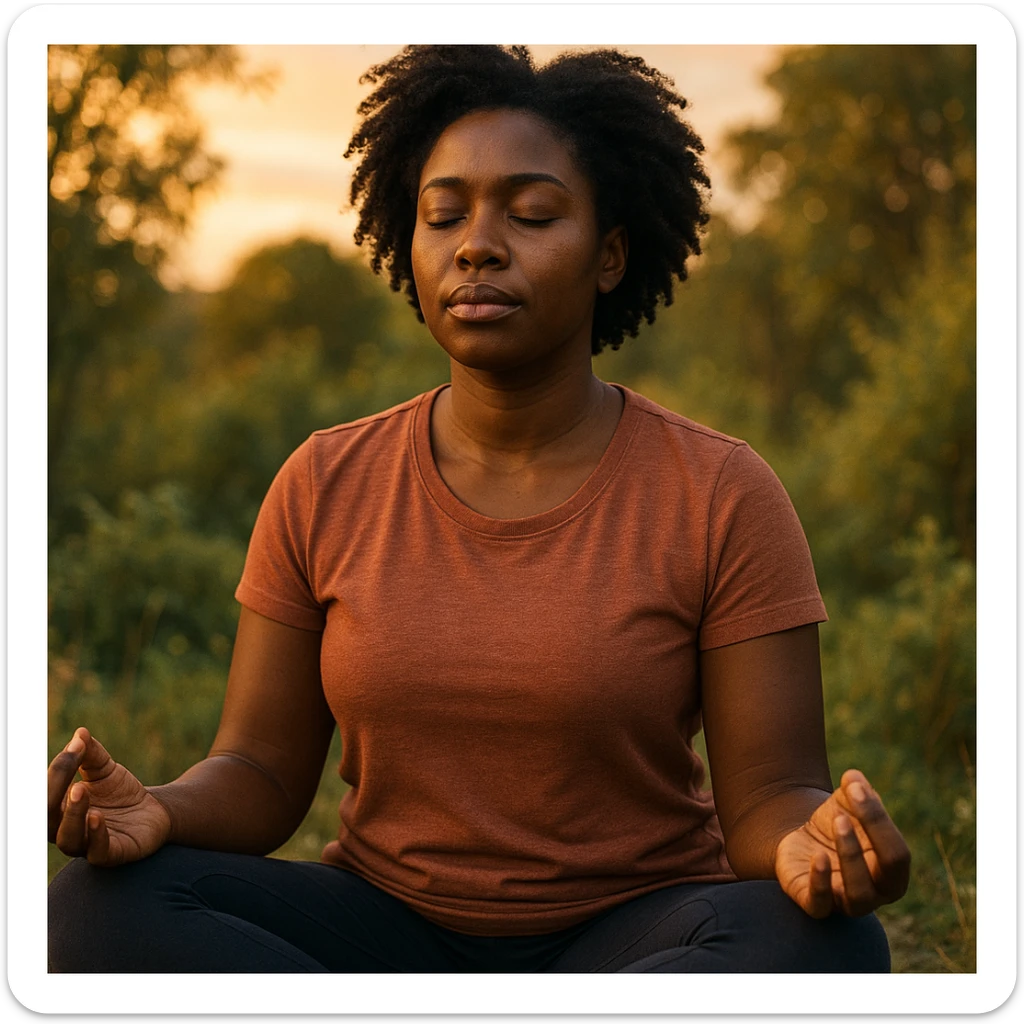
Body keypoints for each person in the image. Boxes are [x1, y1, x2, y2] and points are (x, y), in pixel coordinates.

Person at [47, 45, 910, 973]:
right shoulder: (325, 479)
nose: (477, 245)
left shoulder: (720, 491)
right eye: (444, 214)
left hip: (633, 937)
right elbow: (259, 772)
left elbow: (772, 794)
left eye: (531, 214)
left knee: (823, 941)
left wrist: (816, 844)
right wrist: (159, 808)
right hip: (382, 931)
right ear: (408, 241)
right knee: (100, 907)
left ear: (611, 255)